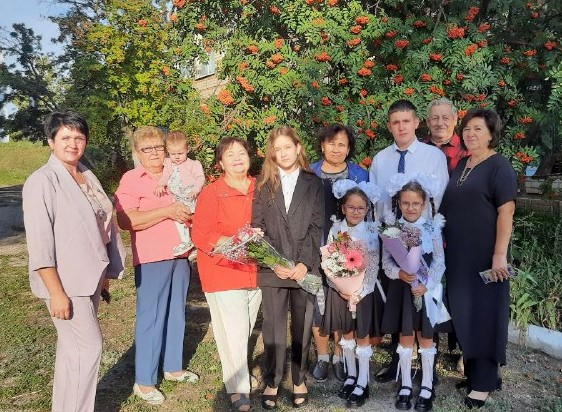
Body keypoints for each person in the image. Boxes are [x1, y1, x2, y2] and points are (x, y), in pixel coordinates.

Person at [22, 110, 125, 412]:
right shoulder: (42, 181)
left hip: (90, 277)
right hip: (66, 283)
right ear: (51, 141)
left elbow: (101, 226)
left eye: (79, 137)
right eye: (65, 137)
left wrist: (106, 271)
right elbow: (40, 244)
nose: (73, 143)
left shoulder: (86, 175)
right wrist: (55, 292)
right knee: (88, 349)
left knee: (72, 353)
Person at [115, 126, 198, 405]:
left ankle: (173, 367)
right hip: (151, 258)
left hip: (180, 255)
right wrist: (166, 211)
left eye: (158, 148)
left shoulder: (176, 173)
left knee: (177, 312)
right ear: (137, 153)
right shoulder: (131, 179)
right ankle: (145, 381)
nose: (154, 154)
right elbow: (126, 220)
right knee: (150, 318)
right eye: (146, 149)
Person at [440, 108, 517, 409]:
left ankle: (484, 382)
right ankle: (476, 374)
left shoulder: (500, 166)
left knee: (485, 315)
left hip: (486, 257)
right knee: (464, 312)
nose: (470, 134)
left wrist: (499, 255)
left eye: (478, 129)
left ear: (491, 133)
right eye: (467, 129)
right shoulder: (463, 165)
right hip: (459, 256)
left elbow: (506, 212)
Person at [368, 100, 449, 383]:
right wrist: (388, 238)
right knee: (400, 304)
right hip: (393, 242)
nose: (401, 127)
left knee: (425, 305)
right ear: (390, 126)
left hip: (425, 243)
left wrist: (430, 234)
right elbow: (377, 205)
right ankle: (398, 364)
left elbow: (439, 201)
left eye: (406, 121)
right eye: (395, 122)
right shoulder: (381, 159)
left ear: (416, 123)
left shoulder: (433, 156)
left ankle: (428, 369)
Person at [252, 125, 324, 409]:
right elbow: (257, 228)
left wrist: (304, 264)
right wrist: (274, 262)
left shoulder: (313, 182)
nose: (282, 153)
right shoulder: (264, 184)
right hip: (273, 271)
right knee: (272, 327)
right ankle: (272, 380)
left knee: (302, 328)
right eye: (277, 149)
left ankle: (298, 379)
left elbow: (317, 225)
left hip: (302, 270)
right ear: (272, 154)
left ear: (297, 148)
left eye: (287, 147)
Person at [191, 137, 262, 412]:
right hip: (223, 270)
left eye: (241, 152)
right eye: (229, 154)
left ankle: (237, 377)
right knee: (233, 331)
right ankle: (238, 390)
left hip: (255, 270)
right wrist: (236, 241)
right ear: (220, 163)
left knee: (241, 329)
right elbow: (201, 233)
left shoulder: (261, 188)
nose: (237, 158)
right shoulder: (212, 193)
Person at [380, 175, 449, 412]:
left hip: (424, 289)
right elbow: (385, 262)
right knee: (406, 335)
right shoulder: (392, 230)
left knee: (426, 337)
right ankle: (406, 385)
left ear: (424, 204)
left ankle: (427, 385)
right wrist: (399, 273)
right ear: (399, 203)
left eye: (416, 204)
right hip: (402, 289)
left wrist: (427, 284)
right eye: (406, 203)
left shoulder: (432, 228)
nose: (410, 208)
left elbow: (439, 261)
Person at [309, 124, 369, 383]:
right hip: (313, 246)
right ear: (322, 145)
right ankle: (322, 357)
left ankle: (341, 356)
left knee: (342, 304)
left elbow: (368, 211)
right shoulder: (308, 173)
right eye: (331, 143)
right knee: (318, 303)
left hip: (348, 252)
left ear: (349, 148)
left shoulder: (360, 175)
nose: (336, 148)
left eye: (342, 144)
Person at [320, 179, 383, 408]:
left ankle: (363, 382)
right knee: (346, 334)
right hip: (341, 292)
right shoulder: (336, 230)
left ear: (367, 209)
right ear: (343, 207)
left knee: (362, 336)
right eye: (351, 207)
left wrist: (360, 291)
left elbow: (374, 265)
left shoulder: (371, 232)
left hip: (364, 293)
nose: (355, 212)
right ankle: (350, 375)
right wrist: (339, 287)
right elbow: (328, 261)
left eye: (361, 208)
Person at [155, 131, 205, 257]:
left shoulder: (193, 164)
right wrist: (161, 184)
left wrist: (196, 190)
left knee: (196, 220)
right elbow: (165, 175)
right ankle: (186, 241)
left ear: (187, 149)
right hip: (177, 198)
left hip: (190, 196)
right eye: (173, 154)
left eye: (180, 153)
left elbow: (200, 178)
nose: (177, 157)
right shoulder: (168, 164)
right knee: (179, 219)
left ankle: (198, 243)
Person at [424, 98, 468, 174]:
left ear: (455, 120)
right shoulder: (418, 148)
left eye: (445, 118)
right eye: (435, 118)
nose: (440, 123)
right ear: (428, 122)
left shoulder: (466, 149)